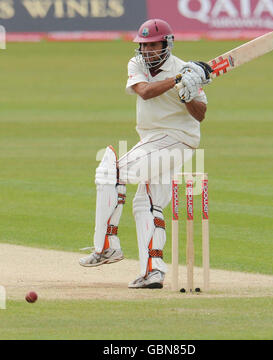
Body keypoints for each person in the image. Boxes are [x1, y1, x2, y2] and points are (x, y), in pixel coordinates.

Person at [79, 19, 211, 289]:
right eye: (144, 45)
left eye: (153, 44)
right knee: (146, 201)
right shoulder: (137, 64)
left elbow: (201, 115)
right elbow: (145, 92)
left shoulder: (185, 70)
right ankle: (153, 272)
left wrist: (187, 95)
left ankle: (106, 245)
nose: (148, 50)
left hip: (176, 139)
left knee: (109, 171)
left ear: (166, 44)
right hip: (152, 140)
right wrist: (176, 81)